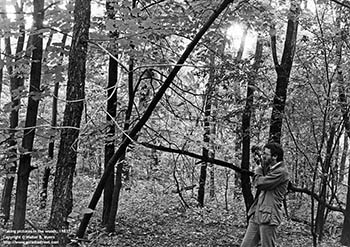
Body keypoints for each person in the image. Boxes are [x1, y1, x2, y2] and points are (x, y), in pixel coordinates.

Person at [240, 142, 289, 247]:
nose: (263, 156)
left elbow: (259, 183)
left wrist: (257, 170)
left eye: (266, 154)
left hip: (269, 216)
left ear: (275, 156)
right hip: (257, 214)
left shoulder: (281, 172)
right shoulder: (270, 168)